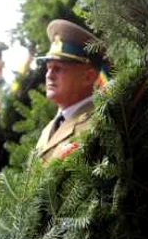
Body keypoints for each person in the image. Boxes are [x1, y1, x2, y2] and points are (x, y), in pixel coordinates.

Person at [34, 19, 104, 162]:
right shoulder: (48, 130)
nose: (49, 75)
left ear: (88, 76)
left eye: (58, 69)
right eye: (48, 68)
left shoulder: (99, 121)